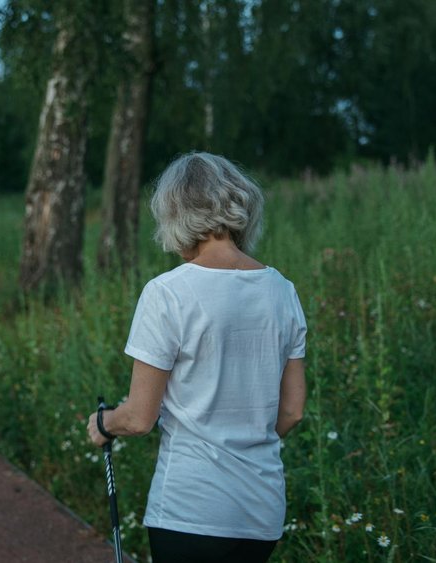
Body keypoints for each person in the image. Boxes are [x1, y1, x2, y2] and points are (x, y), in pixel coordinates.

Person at [87, 152, 308, 563]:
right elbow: (292, 411)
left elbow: (138, 417)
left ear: (175, 216)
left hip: (190, 510)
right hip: (260, 511)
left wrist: (104, 423)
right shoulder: (282, 291)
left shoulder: (168, 293)